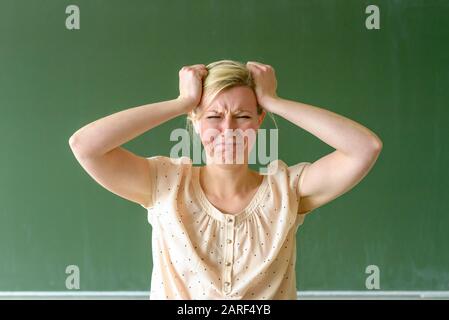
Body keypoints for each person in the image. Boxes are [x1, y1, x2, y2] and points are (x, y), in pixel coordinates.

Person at [69, 59, 382, 299]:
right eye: (214, 117)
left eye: (243, 116)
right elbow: (85, 146)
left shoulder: (288, 190)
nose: (228, 129)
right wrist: (181, 102)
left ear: (259, 120)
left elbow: (365, 148)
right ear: (194, 121)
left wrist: (273, 101)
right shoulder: (164, 183)